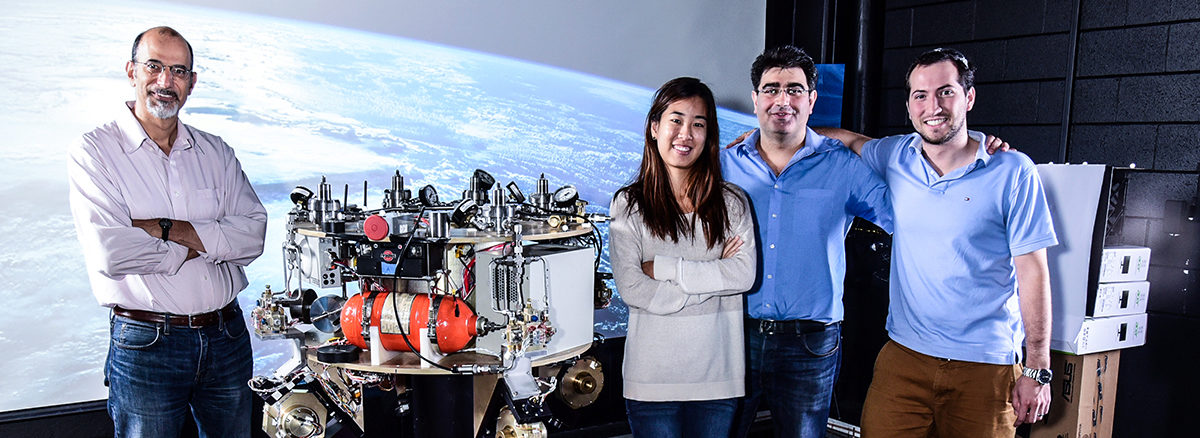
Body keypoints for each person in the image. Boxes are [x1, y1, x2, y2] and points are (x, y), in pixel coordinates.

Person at [821, 48, 1055, 437]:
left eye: (946, 92)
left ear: (969, 97)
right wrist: (771, 135)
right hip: (904, 359)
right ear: (909, 105)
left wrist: (1037, 368)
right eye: (920, 95)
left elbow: (1033, 272)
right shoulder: (896, 155)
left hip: (985, 366)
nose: (933, 106)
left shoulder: (1013, 171)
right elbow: (846, 140)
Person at [67, 26, 267, 437]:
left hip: (226, 337)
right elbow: (112, 253)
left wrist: (165, 230)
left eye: (178, 71)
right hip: (146, 344)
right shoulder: (95, 151)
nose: (165, 81)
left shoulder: (216, 152)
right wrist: (207, 241)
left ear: (191, 84)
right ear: (132, 71)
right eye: (154, 66)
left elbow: (253, 235)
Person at [721, 45, 893, 438]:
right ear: (755, 98)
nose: (782, 99)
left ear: (812, 99)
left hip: (811, 345)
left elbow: (905, 219)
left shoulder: (844, 166)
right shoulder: (725, 164)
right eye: (772, 89)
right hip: (732, 335)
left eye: (795, 90)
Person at [609, 77, 757, 438]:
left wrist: (663, 268)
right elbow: (631, 287)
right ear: (654, 127)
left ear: (709, 136)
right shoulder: (628, 205)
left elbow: (743, 276)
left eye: (698, 124)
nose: (685, 134)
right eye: (676, 120)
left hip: (717, 378)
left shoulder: (732, 202)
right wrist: (712, 273)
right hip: (652, 380)